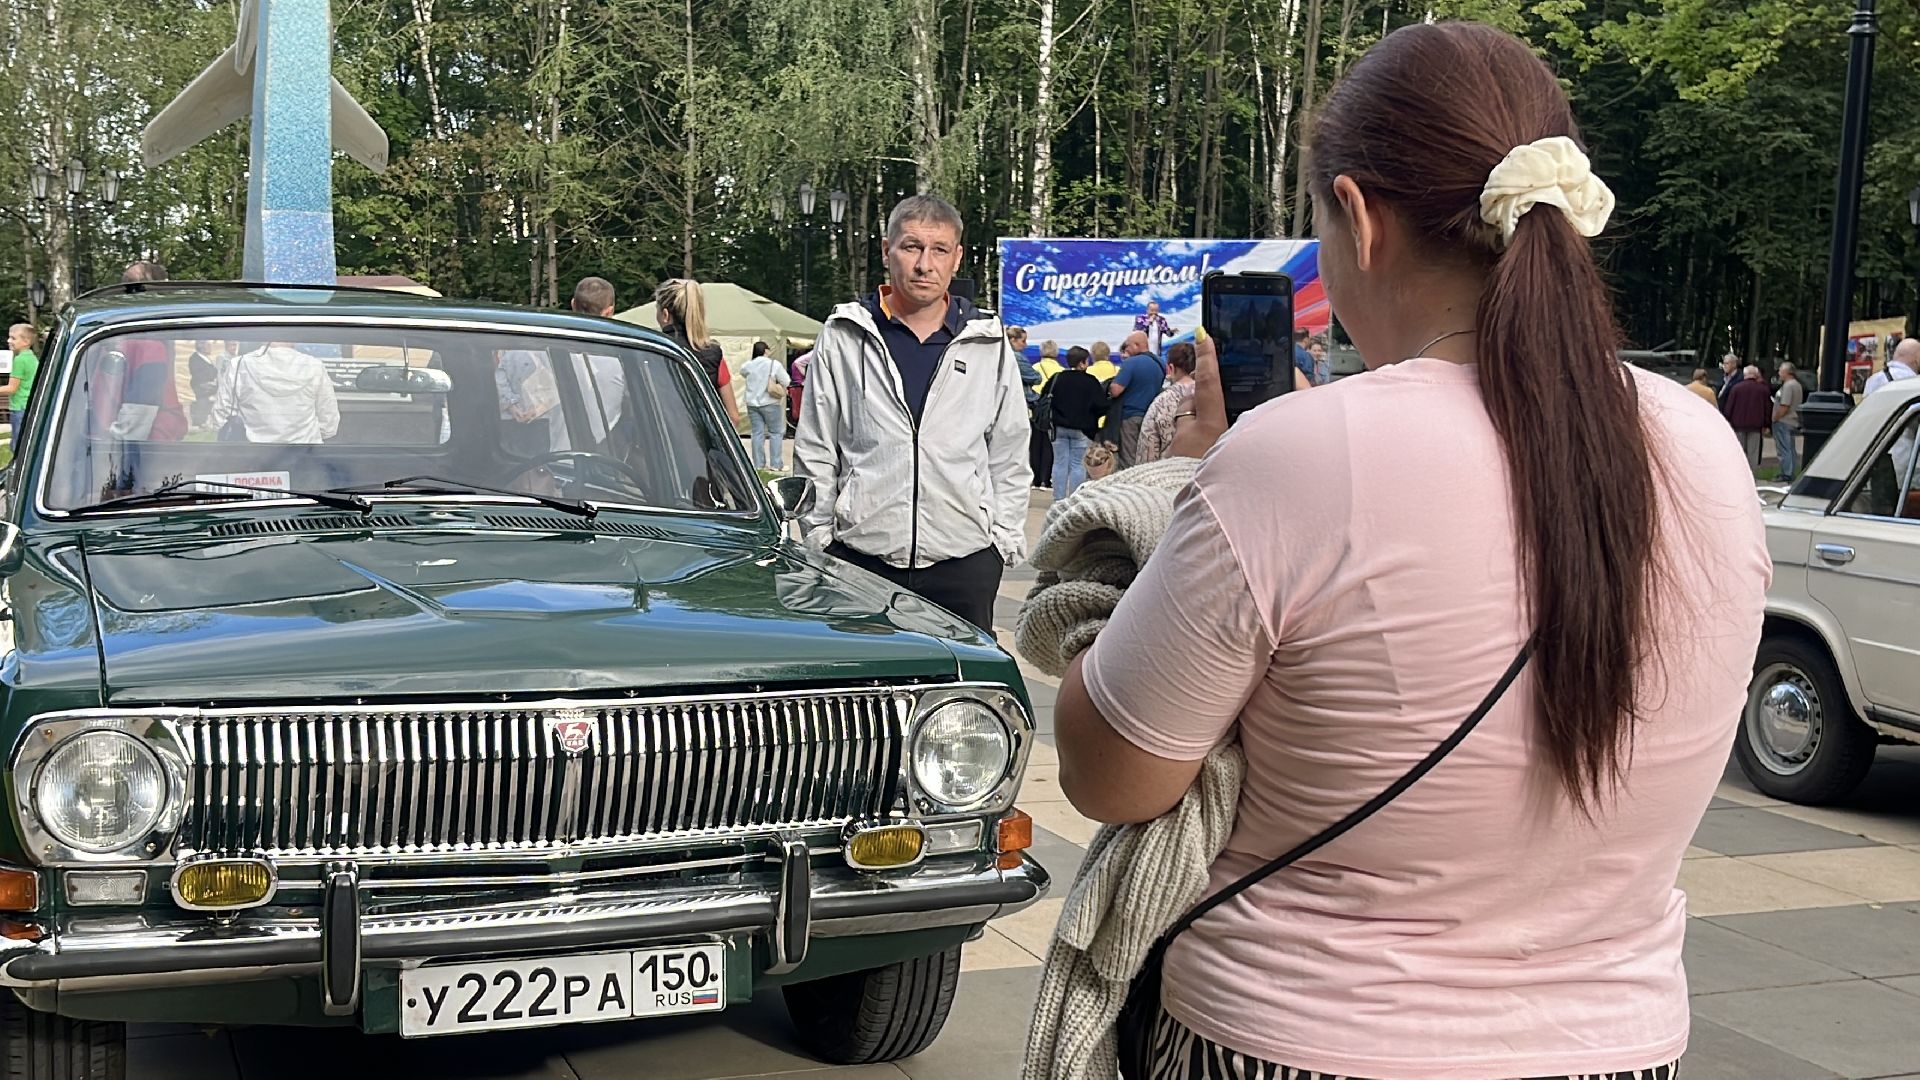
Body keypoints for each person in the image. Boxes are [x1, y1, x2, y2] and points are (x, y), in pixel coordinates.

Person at [1049, 21, 1765, 1080]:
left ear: (1358, 215)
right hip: (1619, 1044)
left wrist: (1177, 493)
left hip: (1297, 1038)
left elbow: (1112, 774)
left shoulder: (1291, 458)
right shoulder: (1704, 447)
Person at [793, 194, 1031, 632]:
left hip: (964, 561)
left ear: (957, 258)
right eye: (911, 247)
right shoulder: (847, 333)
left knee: (960, 694)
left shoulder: (985, 340)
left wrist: (1001, 542)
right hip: (860, 558)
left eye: (939, 250)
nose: (925, 264)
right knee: (863, 697)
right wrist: (819, 538)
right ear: (887, 251)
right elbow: (816, 445)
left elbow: (1010, 450)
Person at [655, 277, 745, 431]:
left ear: (665, 314)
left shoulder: (653, 350)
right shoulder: (714, 353)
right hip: (701, 447)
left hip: (661, 444)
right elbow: (733, 417)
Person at [211, 342, 340, 444]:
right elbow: (329, 422)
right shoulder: (314, 366)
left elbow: (221, 416)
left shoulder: (239, 365)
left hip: (251, 459)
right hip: (305, 457)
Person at [1048, 346, 1104, 498]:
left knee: (1059, 463)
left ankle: (1058, 499)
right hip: (1082, 429)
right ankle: (1073, 499)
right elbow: (1101, 406)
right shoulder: (1091, 382)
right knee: (1078, 465)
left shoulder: (1057, 378)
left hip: (1058, 428)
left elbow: (1046, 399)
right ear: (1082, 363)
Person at [1109, 330, 1168, 468]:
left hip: (1130, 417)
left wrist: (1109, 386)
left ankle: (1129, 486)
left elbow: (1116, 390)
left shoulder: (1132, 363)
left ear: (1136, 345)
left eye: (1128, 346)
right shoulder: (1160, 363)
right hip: (1151, 416)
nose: (1127, 349)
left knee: (1129, 458)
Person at [1135, 341, 1198, 465]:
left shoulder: (1161, 402)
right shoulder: (1213, 398)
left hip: (1169, 474)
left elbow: (1147, 450)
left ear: (1170, 368)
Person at [740, 340, 791, 471]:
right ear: (766, 351)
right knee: (775, 433)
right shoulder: (774, 365)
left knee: (757, 433)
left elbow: (742, 372)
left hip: (752, 404)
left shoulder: (748, 365)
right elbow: (786, 380)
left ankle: (758, 465)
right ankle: (776, 464)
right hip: (770, 403)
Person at [1724, 363, 1773, 468]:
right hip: (1756, 426)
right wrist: (1767, 424)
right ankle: (1752, 477)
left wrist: (1728, 420)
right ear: (1756, 375)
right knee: (1753, 453)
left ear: (1745, 375)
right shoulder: (1763, 390)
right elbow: (1767, 409)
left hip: (1738, 425)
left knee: (1739, 453)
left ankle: (1740, 475)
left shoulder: (1736, 388)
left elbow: (1729, 407)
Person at [2, 324, 39, 448]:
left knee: (17, 446)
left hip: (19, 407)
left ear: (26, 341)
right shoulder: (32, 358)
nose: (9, 341)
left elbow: (12, 388)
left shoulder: (20, 360)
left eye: (13, 338)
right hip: (28, 405)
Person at [1773, 361, 1805, 482]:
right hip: (1793, 421)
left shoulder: (1788, 386)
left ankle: (1786, 473)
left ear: (1787, 372)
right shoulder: (1797, 385)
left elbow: (1785, 405)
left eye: (1781, 370)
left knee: (1784, 448)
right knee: (1790, 448)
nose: (1779, 373)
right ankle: (1790, 471)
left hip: (1784, 421)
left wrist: (1776, 417)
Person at [1715, 351, 1744, 416]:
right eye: (1724, 363)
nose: (1724, 366)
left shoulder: (1740, 379)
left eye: (1727, 363)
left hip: (1731, 415)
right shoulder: (1722, 377)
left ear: (1734, 364)